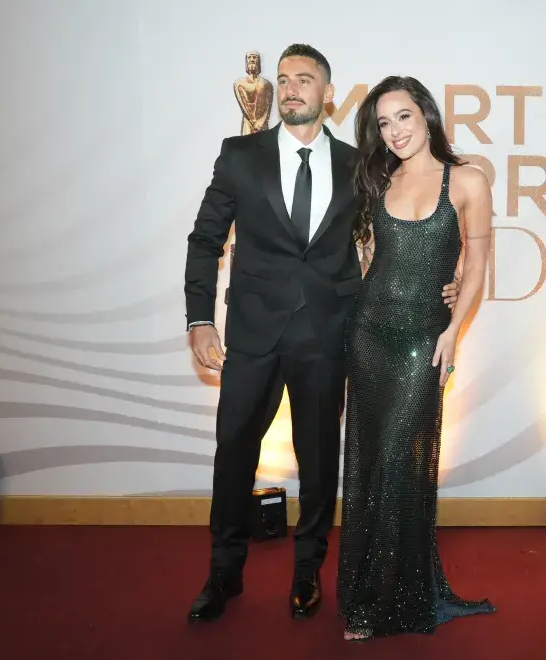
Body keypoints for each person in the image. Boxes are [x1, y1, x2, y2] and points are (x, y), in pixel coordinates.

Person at [183, 45, 461, 624]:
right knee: (233, 454)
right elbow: (205, 239)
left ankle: (307, 572)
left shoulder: (362, 163)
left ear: (327, 94)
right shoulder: (239, 156)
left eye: (303, 80)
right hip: (252, 336)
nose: (289, 89)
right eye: (283, 80)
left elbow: (403, 231)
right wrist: (200, 319)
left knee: (318, 462)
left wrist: (448, 282)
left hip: (328, 336)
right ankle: (223, 574)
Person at [336, 75, 496, 641]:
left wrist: (454, 331)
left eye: (403, 116)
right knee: (368, 462)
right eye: (383, 122)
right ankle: (367, 597)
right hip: (369, 335)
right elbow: (371, 262)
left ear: (425, 116)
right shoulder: (379, 182)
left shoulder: (469, 179)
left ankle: (385, 601)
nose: (395, 131)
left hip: (423, 341)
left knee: (404, 465)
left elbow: (476, 266)